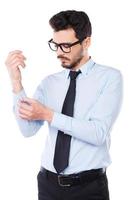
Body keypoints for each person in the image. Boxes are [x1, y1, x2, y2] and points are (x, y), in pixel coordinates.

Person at [5, 10, 123, 200]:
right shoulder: (49, 82)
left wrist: (48, 115)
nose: (59, 53)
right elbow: (27, 130)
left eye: (66, 46)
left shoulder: (109, 78)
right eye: (56, 45)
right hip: (48, 185)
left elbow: (98, 133)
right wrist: (16, 83)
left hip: (88, 188)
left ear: (86, 42)